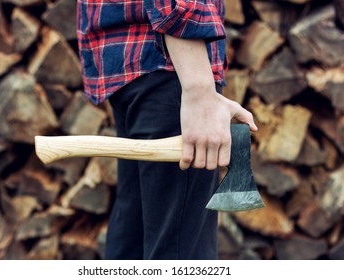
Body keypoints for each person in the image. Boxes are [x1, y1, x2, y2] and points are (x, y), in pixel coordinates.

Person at [77, 0, 258, 260]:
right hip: (170, 64)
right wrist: (198, 87)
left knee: (133, 246)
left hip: (131, 64)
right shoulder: (184, 85)